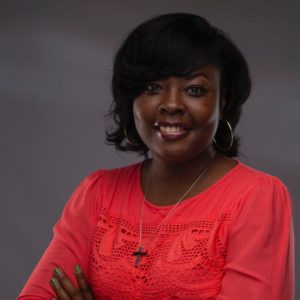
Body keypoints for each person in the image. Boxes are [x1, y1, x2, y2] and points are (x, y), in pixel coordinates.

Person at [18, 13, 294, 300]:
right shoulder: (98, 194)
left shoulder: (255, 197)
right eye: (152, 87)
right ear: (131, 99)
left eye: (194, 90)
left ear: (221, 102)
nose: (172, 104)